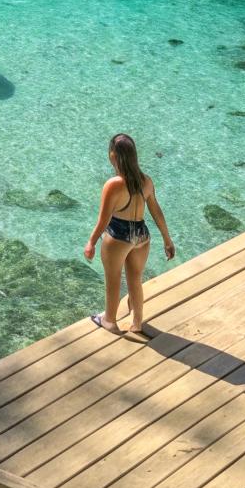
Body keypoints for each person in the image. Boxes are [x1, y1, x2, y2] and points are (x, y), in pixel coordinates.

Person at [85, 132, 175, 336]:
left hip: (119, 235)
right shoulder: (146, 181)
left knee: (113, 278)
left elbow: (104, 219)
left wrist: (91, 242)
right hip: (142, 235)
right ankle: (137, 323)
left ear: (112, 156)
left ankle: (109, 321)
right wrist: (167, 240)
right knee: (135, 278)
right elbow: (156, 211)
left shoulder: (114, 184)